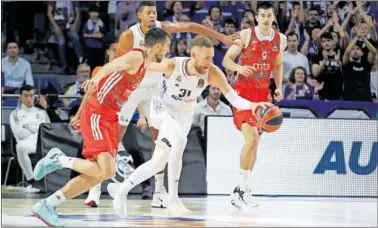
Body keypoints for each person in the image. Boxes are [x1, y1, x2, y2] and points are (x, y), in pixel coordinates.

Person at [112, 35, 272, 218]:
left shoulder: (212, 72)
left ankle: (121, 190)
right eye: (206, 58)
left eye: (212, 57)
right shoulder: (173, 65)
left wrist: (252, 105)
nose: (210, 62)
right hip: (162, 107)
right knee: (180, 140)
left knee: (157, 162)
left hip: (185, 113)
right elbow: (143, 66)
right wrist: (121, 70)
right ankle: (173, 198)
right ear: (194, 55)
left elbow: (233, 99)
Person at [30, 28, 171, 227]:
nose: (168, 49)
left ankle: (49, 203)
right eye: (167, 46)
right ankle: (58, 159)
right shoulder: (136, 57)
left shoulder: (147, 65)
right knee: (105, 169)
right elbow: (110, 66)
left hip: (110, 116)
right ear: (157, 46)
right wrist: (95, 79)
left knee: (102, 173)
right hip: (98, 112)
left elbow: (167, 67)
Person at [109, 1, 233, 209]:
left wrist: (222, 38)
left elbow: (192, 27)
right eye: (148, 13)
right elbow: (120, 67)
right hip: (134, 87)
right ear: (139, 15)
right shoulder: (128, 37)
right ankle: (99, 186)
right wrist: (133, 105)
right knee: (117, 137)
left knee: (161, 140)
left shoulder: (163, 28)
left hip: (157, 88)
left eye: (155, 12)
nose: (152, 16)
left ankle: (159, 191)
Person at [222, 1, 286, 209]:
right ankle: (242, 191)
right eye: (263, 16)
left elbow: (277, 64)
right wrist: (239, 68)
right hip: (242, 94)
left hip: (263, 95)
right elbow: (226, 60)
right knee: (251, 139)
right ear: (257, 17)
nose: (266, 19)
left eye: (270, 15)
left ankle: (242, 190)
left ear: (273, 17)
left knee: (255, 142)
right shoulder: (246, 35)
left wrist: (277, 86)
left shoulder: (281, 39)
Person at [9, 85, 50, 193]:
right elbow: (19, 133)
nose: (29, 99)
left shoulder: (41, 113)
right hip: (26, 143)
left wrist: (28, 126)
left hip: (41, 142)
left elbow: (47, 130)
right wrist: (36, 130)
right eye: (26, 96)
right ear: (20, 97)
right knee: (20, 147)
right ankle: (32, 180)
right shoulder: (15, 114)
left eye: (31, 96)